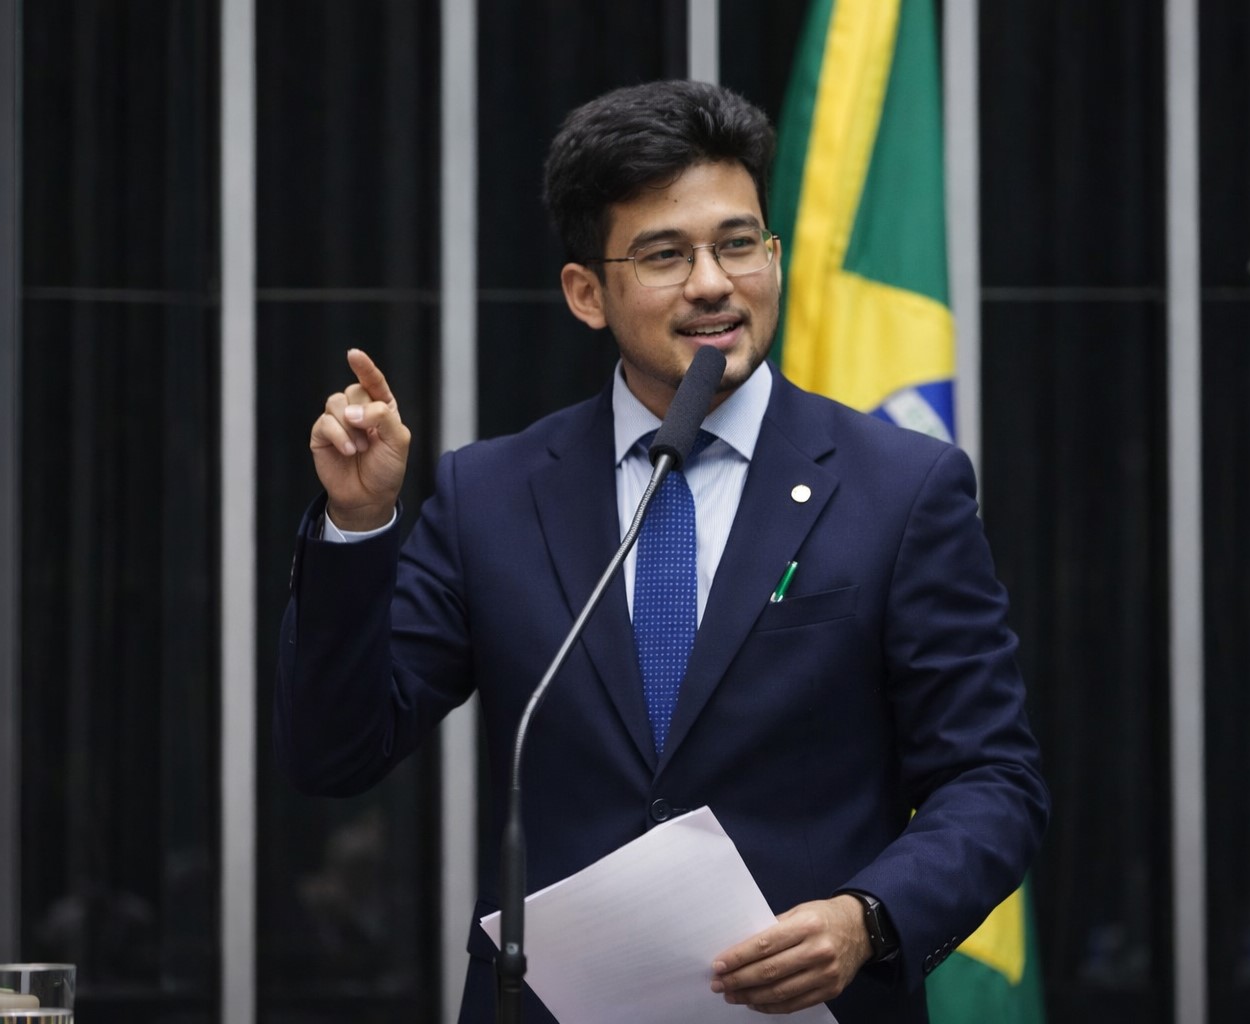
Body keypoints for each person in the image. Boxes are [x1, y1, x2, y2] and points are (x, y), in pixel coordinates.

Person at [275, 79, 1048, 1023]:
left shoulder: (901, 486)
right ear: (586, 293)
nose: (715, 283)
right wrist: (358, 526)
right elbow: (335, 754)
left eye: (737, 244)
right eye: (665, 255)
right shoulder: (492, 494)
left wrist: (866, 919)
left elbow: (993, 780)